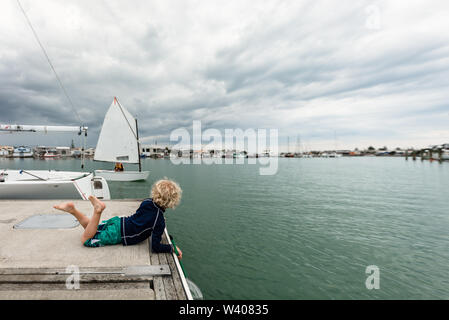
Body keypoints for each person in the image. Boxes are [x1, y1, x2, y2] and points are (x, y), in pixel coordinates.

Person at [53, 179, 183, 259]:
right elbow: (155, 247)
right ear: (172, 201)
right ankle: (97, 210)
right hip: (118, 234)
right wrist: (171, 248)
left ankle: (73, 211)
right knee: (86, 239)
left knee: (91, 228)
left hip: (119, 222)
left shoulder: (147, 202)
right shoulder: (158, 220)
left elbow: (143, 222)